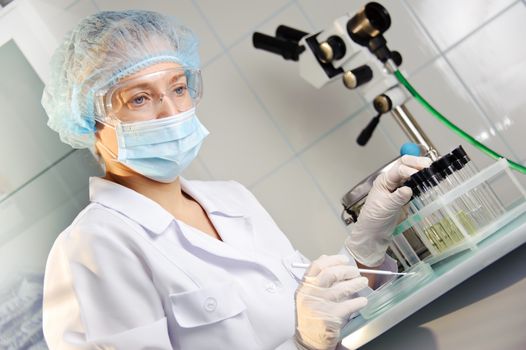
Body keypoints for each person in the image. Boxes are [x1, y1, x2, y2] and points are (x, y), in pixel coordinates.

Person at [41, 10, 431, 350]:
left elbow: (324, 318)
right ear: (88, 120)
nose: (171, 112)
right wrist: (303, 345)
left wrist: (366, 247)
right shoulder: (91, 252)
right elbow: (309, 337)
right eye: (140, 99)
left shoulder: (233, 199)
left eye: (178, 88)